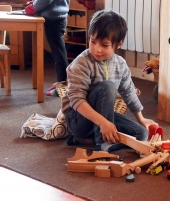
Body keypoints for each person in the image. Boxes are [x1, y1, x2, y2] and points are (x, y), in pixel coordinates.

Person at [61, 10, 158, 152]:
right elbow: (76, 100)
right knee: (108, 87)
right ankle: (101, 143)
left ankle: (87, 140)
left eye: (104, 45)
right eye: (93, 42)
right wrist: (103, 123)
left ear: (119, 44)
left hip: (103, 117)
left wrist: (142, 119)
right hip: (78, 119)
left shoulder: (120, 64)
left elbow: (129, 93)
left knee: (141, 134)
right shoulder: (81, 63)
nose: (97, 49)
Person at [24, 0, 70, 95]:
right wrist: (34, 3)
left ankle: (63, 86)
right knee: (58, 52)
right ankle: (62, 83)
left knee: (59, 53)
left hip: (55, 17)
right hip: (58, 15)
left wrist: (33, 7)